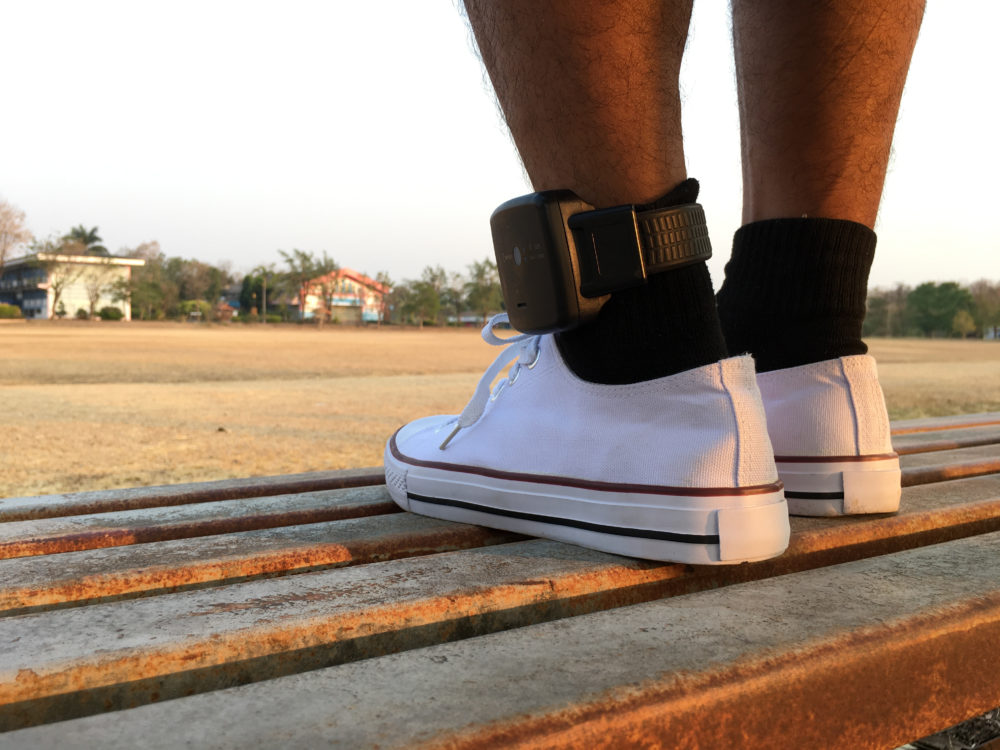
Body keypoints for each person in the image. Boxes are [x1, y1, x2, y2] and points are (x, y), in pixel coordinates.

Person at [384, 0, 925, 565]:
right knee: (790, 323)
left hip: (640, 387)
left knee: (640, 333)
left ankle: (638, 363)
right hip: (818, 382)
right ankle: (808, 353)